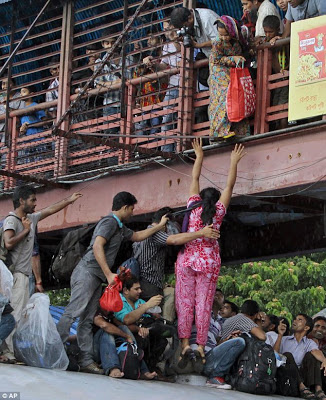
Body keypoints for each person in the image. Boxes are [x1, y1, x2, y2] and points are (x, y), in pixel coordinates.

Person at [57, 191, 169, 374]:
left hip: (96, 277)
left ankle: (86, 360)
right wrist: (109, 273)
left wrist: (159, 226)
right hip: (87, 273)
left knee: (86, 318)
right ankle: (55, 350)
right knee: (72, 312)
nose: (133, 213)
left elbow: (139, 235)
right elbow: (97, 245)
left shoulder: (120, 227)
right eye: (132, 209)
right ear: (125, 207)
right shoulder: (109, 222)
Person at [175, 138, 246, 368]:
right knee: (204, 304)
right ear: (214, 201)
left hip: (187, 261)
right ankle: (200, 346)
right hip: (208, 263)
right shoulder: (218, 213)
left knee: (185, 303)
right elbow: (229, 186)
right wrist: (233, 162)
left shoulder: (193, 205)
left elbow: (194, 178)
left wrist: (200, 156)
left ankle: (185, 343)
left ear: (201, 198)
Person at [2, 185, 82, 361]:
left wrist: (69, 200)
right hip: (15, 276)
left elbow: (49, 211)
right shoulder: (12, 220)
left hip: (23, 276)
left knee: (19, 315)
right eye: (32, 200)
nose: (35, 203)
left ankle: (10, 350)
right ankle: (7, 352)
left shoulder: (30, 218)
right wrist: (25, 231)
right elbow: (8, 243)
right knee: (14, 314)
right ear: (21, 201)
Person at [134, 206, 219, 301]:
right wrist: (201, 233)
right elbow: (174, 240)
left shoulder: (143, 234)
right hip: (150, 284)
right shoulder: (155, 233)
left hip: (143, 284)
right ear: (165, 221)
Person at [203, 299, 265, 389]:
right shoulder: (243, 319)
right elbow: (262, 337)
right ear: (254, 315)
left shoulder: (232, 319)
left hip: (215, 358)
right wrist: (258, 321)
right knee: (239, 342)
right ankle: (216, 376)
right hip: (211, 362)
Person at [209, 16, 250, 140]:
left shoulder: (241, 34)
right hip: (219, 69)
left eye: (225, 35)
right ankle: (219, 131)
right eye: (220, 35)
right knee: (226, 94)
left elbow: (248, 45)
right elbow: (217, 59)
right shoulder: (218, 42)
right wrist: (233, 59)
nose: (223, 38)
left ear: (232, 31)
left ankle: (241, 131)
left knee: (239, 93)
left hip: (235, 69)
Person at [114, 276, 167, 372]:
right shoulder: (118, 301)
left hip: (141, 332)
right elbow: (127, 320)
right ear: (126, 290)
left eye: (140, 288)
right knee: (142, 339)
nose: (140, 291)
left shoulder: (140, 301)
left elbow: (149, 318)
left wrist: (155, 316)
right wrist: (146, 306)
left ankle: (151, 369)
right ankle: (139, 370)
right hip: (123, 335)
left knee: (161, 340)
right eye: (136, 289)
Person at [92, 306, 156, 379]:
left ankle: (141, 370)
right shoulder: (95, 312)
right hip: (96, 351)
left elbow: (124, 326)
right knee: (107, 331)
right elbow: (104, 325)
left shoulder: (111, 314)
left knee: (123, 328)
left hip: (108, 350)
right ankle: (113, 368)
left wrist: (140, 329)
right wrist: (126, 336)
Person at [274, 314, 326, 400]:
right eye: (295, 319)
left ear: (306, 328)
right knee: (287, 355)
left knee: (312, 355)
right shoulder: (284, 339)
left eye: (299, 320)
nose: (295, 321)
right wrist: (280, 335)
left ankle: (318, 389)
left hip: (303, 378)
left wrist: (325, 360)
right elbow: (274, 354)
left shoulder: (309, 342)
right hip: (287, 379)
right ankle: (301, 387)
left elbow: (316, 351)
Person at [262, 15, 289, 130]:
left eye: (270, 32)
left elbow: (289, 56)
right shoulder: (266, 42)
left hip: (284, 77)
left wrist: (287, 69)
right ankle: (279, 130)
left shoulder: (282, 41)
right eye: (266, 32)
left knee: (282, 107)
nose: (268, 35)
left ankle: (284, 131)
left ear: (278, 29)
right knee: (275, 104)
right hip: (276, 79)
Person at [19, 85, 48, 164]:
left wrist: (30, 125)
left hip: (38, 138)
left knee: (40, 162)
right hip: (27, 140)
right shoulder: (21, 110)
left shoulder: (35, 106)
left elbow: (45, 121)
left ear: (31, 94)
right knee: (29, 163)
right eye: (21, 92)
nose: (21, 94)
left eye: (24, 92)